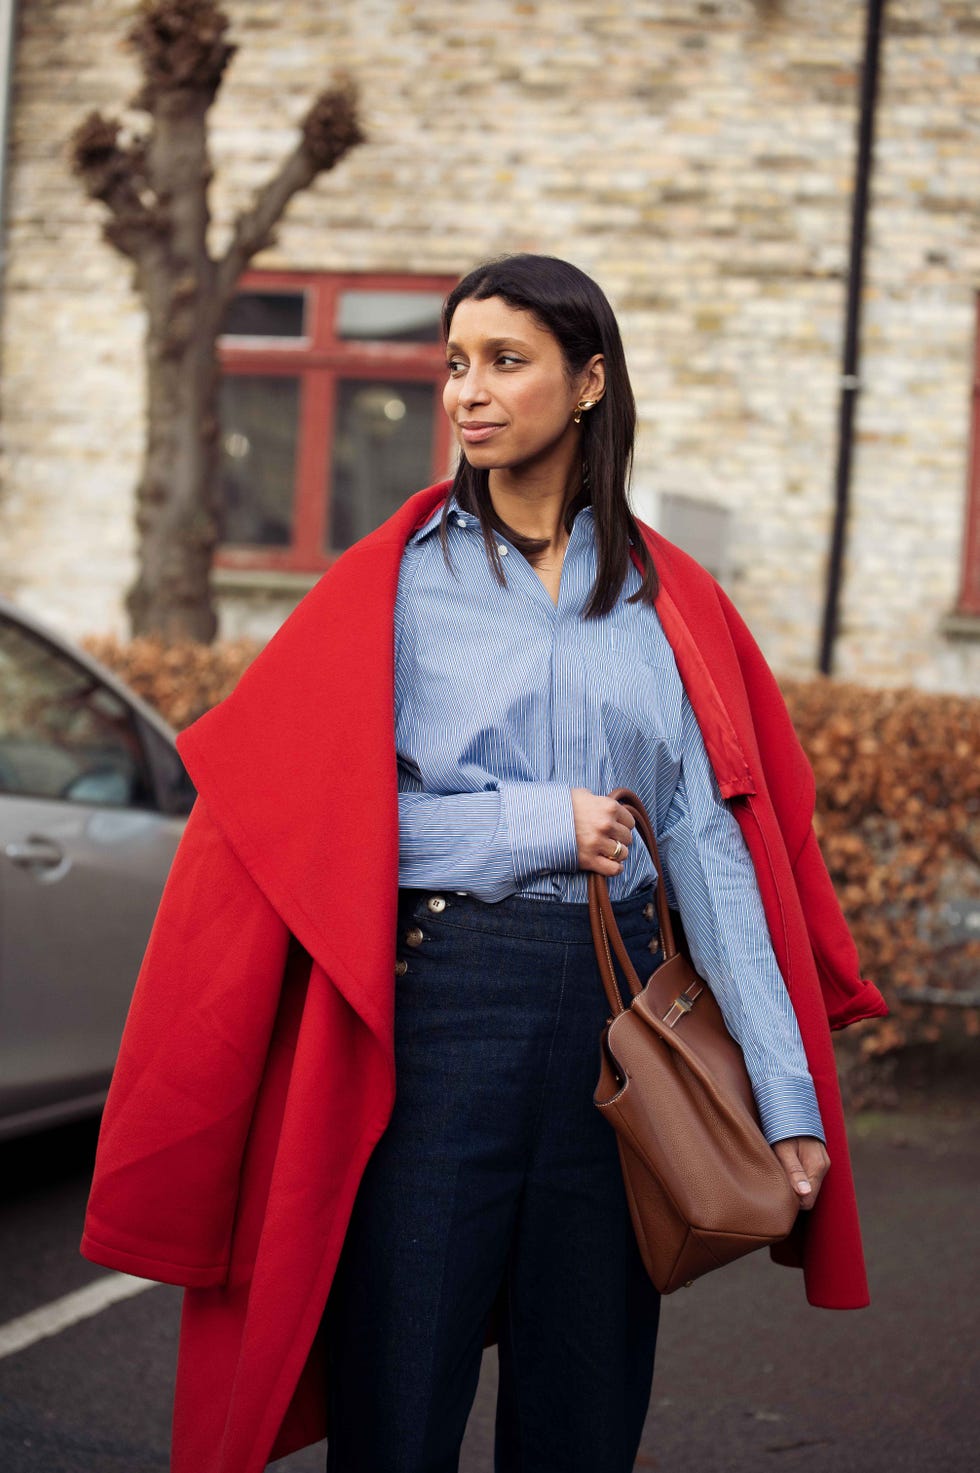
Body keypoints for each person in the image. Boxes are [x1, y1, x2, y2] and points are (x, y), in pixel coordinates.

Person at [81, 255, 887, 1473]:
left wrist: (784, 1101)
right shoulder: (396, 585)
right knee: (397, 1388)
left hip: (618, 1027)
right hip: (440, 1010)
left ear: (588, 384)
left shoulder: (670, 605)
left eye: (504, 361)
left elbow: (713, 854)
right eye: (454, 362)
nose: (466, 390)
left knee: (582, 1398)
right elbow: (307, 834)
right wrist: (525, 825)